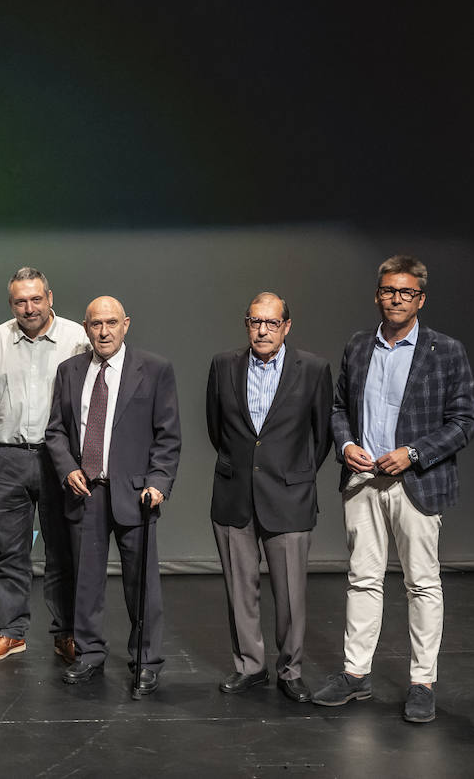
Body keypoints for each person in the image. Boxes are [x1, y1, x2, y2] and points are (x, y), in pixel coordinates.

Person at [313, 255, 474, 723]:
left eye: (406, 292)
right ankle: (355, 674)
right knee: (362, 579)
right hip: (363, 480)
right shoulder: (359, 345)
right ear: (378, 294)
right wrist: (344, 444)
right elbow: (338, 406)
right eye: (389, 290)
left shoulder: (446, 351)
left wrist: (414, 453)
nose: (396, 299)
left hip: (417, 482)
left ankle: (422, 681)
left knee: (422, 583)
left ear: (420, 299)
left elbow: (464, 422)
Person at [45, 296, 181, 687]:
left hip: (136, 493)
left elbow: (167, 436)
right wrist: (68, 467)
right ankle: (89, 654)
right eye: (95, 324)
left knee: (142, 583)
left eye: (110, 323)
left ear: (126, 324)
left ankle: (147, 658)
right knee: (85, 580)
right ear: (85, 328)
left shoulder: (154, 369)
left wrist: (158, 482)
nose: (103, 332)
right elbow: (55, 430)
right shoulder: (70, 370)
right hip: (86, 490)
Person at [205, 292, 332, 703]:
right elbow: (215, 428)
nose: (262, 330)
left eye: (271, 323)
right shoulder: (224, 364)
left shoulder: (312, 369)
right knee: (239, 590)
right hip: (233, 493)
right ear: (246, 324)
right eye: (255, 321)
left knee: (292, 593)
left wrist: (296, 475)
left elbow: (323, 434)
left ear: (286, 327)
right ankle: (250, 666)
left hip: (289, 496)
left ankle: (290, 670)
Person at [0, 267, 88, 664]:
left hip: (60, 460)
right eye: (20, 301)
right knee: (9, 553)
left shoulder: (77, 340)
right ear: (11, 303)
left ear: (50, 297)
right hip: (6, 458)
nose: (29, 307)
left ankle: (65, 632)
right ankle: (11, 632)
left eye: (36, 299)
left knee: (62, 553)